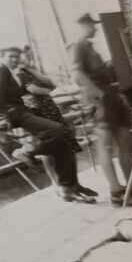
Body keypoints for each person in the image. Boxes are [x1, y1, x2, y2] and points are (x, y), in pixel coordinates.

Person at [67, 14, 132, 207]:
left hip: (113, 98)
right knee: (106, 147)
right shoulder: (78, 46)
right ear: (82, 25)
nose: (95, 29)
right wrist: (97, 95)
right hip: (101, 101)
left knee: (126, 144)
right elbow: (77, 73)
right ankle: (116, 191)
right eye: (91, 25)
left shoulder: (90, 48)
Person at [0, 46, 95, 203]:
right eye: (11, 56)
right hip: (15, 114)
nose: (15, 59)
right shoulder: (0, 69)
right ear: (2, 56)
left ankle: (69, 187)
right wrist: (1, 119)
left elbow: (49, 85)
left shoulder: (15, 72)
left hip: (25, 111)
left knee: (64, 142)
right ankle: (27, 152)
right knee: (57, 130)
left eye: (17, 57)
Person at [17, 46, 92, 195]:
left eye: (31, 55)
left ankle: (72, 184)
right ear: (20, 58)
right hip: (39, 112)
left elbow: (51, 83)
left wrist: (34, 71)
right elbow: (34, 90)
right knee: (51, 149)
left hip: (50, 109)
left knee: (67, 144)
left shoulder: (32, 72)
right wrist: (50, 90)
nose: (30, 58)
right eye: (26, 56)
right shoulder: (20, 74)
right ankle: (57, 184)